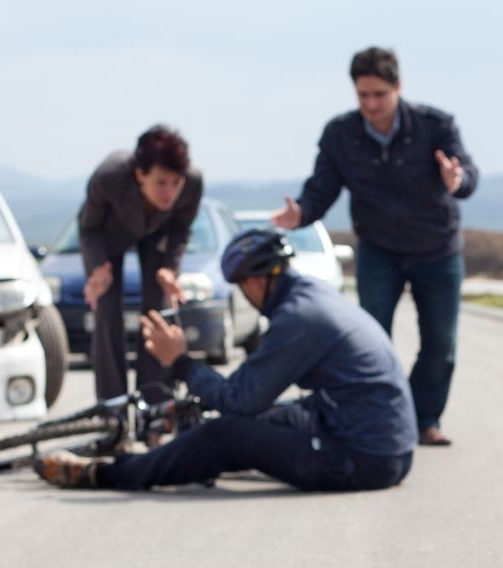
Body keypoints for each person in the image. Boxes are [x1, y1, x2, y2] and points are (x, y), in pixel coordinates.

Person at [34, 230, 417, 492]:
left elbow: (241, 398)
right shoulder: (311, 297)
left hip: (364, 458)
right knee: (249, 420)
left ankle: (105, 474)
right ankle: (165, 456)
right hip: (378, 440)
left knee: (225, 434)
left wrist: (180, 362)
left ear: (255, 282)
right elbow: (253, 396)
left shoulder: (299, 319)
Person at [272, 46, 478, 447]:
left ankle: (423, 420)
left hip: (437, 248)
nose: (370, 104)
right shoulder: (340, 134)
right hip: (379, 250)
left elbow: (468, 173)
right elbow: (321, 190)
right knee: (370, 341)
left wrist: (458, 180)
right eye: (362, 95)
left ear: (398, 87)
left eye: (379, 95)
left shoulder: (435, 125)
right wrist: (302, 214)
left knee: (440, 343)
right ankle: (379, 417)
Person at [78, 125, 203, 402]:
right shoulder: (110, 176)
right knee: (107, 309)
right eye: (161, 182)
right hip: (111, 236)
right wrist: (98, 267)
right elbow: (89, 228)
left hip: (157, 237)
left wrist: (170, 269)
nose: (170, 192)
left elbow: (181, 230)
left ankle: (156, 405)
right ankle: (114, 410)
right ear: (139, 175)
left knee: (157, 312)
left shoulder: (192, 183)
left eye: (176, 182)